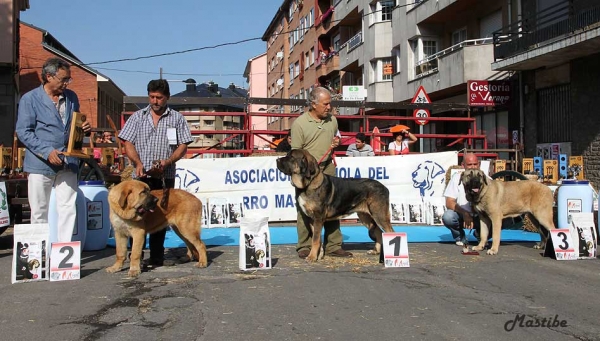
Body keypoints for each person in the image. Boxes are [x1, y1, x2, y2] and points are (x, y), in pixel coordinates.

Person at [118, 79, 193, 267]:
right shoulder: (137, 117)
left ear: (166, 97)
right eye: (151, 97)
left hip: (164, 176)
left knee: (160, 216)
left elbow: (183, 145)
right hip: (140, 178)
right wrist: (137, 163)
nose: (155, 101)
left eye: (159, 97)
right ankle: (136, 258)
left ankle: (157, 256)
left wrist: (168, 162)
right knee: (136, 216)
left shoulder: (177, 118)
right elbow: (127, 142)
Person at [16, 57, 91, 242]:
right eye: (63, 79)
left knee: (68, 208)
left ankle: (63, 254)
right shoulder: (30, 99)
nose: (66, 83)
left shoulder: (72, 97)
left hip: (68, 162)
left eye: (68, 80)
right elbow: (23, 132)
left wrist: (84, 127)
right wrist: (47, 151)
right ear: (49, 76)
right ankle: (40, 254)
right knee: (39, 210)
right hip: (40, 164)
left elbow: (74, 125)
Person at [290, 87, 353, 259]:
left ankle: (333, 245)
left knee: (334, 206)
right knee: (304, 209)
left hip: (327, 168)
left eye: (330, 103)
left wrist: (337, 141)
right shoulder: (299, 124)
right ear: (313, 104)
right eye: (325, 104)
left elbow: (337, 135)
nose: (329, 107)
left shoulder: (332, 120)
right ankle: (304, 245)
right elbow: (295, 155)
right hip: (307, 175)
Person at [442, 153, 482, 245]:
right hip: (462, 216)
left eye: (475, 164)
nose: (473, 167)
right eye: (469, 164)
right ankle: (460, 237)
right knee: (448, 216)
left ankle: (480, 234)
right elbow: (449, 202)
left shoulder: (486, 178)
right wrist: (465, 213)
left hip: (481, 216)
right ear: (463, 165)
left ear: (479, 164)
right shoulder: (456, 178)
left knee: (505, 218)